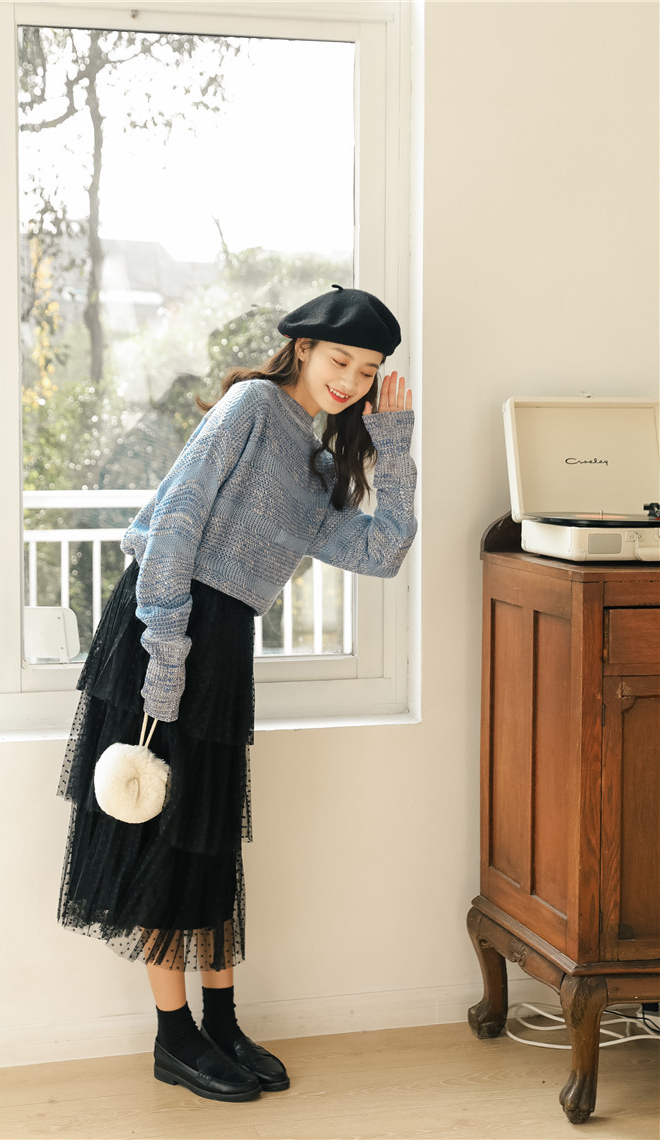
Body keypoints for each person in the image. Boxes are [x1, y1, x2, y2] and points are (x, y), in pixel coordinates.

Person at [56, 285, 418, 1103]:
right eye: (340, 361)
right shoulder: (252, 407)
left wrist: (393, 445)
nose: (350, 382)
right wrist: (166, 657)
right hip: (165, 627)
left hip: (222, 646)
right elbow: (174, 526)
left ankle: (220, 1022)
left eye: (367, 372)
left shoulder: (318, 466)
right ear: (302, 348)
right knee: (163, 837)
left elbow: (385, 551)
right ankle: (174, 1035)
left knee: (209, 837)